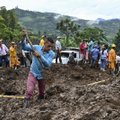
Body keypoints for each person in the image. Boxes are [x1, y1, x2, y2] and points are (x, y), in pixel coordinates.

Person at [21, 34, 55, 108]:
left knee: (42, 92)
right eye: (48, 46)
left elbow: (47, 64)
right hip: (33, 72)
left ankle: (41, 99)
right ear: (45, 43)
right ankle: (26, 100)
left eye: (51, 47)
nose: (50, 48)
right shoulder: (36, 47)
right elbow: (24, 47)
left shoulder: (52, 54)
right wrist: (23, 38)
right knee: (30, 89)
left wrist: (40, 56)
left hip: (43, 74)